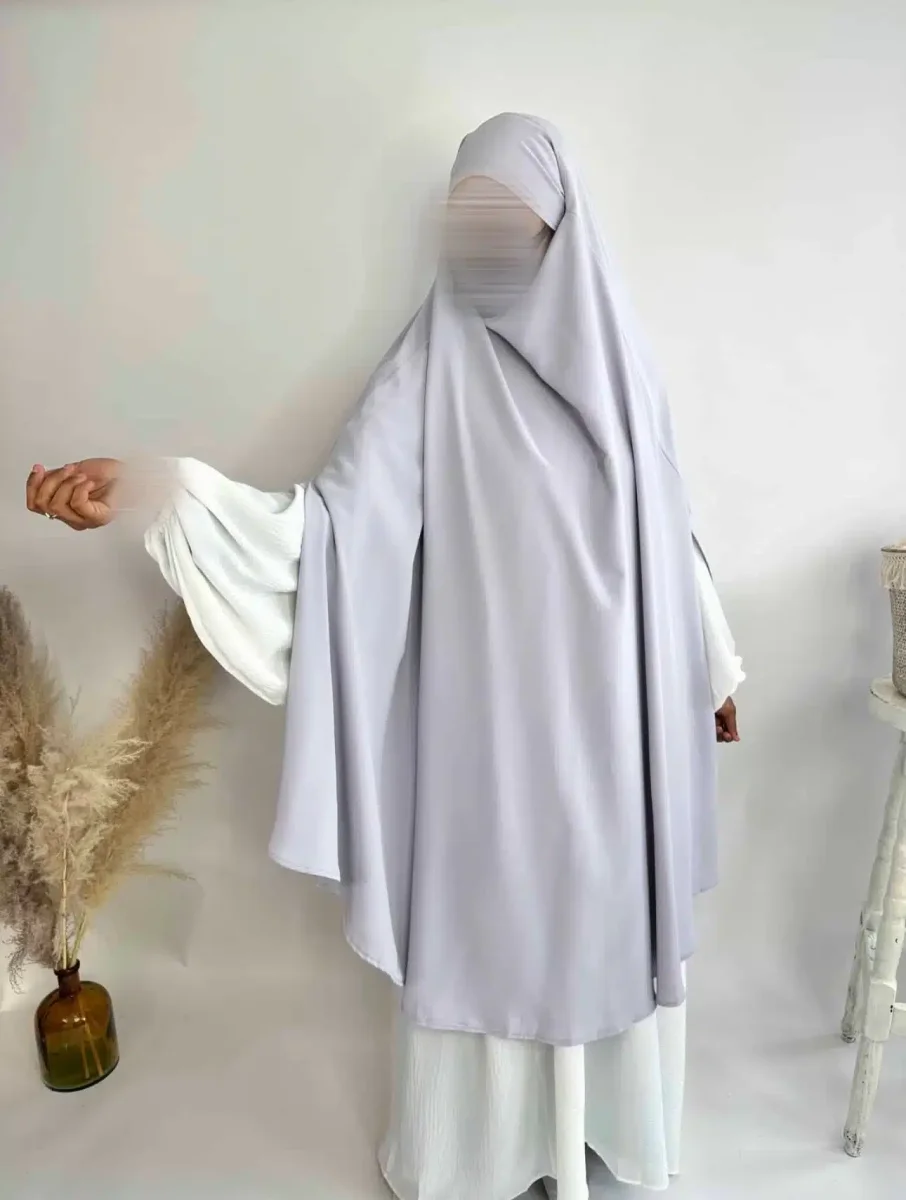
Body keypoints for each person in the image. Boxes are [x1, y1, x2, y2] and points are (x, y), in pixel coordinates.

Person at [26, 114, 743, 1200]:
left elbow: (669, 538)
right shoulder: (430, 367)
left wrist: (711, 668)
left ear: (562, 231)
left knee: (603, 918)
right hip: (489, 738)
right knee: (496, 926)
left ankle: (601, 1131)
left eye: (511, 226)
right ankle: (487, 1155)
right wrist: (161, 492)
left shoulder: (622, 367)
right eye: (469, 225)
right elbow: (331, 532)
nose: (488, 251)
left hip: (617, 738)